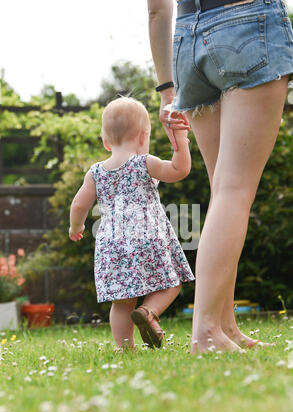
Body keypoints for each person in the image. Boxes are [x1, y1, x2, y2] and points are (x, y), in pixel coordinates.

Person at [148, 0, 293, 352]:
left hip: (186, 41)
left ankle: (225, 324)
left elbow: (156, 9)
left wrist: (167, 89)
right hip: (249, 25)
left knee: (224, 192)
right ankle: (207, 331)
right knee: (234, 191)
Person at [69, 96, 195, 350]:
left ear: (106, 142)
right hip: (147, 236)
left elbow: (79, 205)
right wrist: (180, 140)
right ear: (143, 137)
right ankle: (149, 311)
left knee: (122, 301)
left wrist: (76, 227)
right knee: (172, 283)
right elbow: (178, 171)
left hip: (112, 244)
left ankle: (125, 348)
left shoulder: (95, 172)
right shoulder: (144, 163)